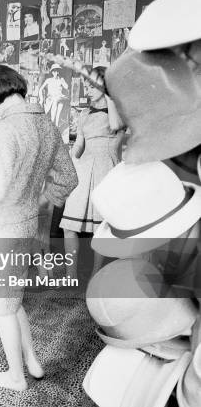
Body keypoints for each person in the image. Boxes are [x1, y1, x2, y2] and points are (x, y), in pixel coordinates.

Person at [0, 65, 77, 391]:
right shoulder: (46, 123)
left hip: (2, 230)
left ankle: (15, 377)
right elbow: (68, 179)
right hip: (29, 226)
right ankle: (32, 362)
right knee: (13, 298)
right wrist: (39, 204)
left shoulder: (7, 129)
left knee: (2, 305)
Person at [59, 67, 125, 278]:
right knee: (68, 226)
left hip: (107, 169)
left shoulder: (120, 111)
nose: (86, 88)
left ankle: (96, 275)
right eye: (85, 84)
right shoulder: (85, 113)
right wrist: (63, 161)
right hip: (83, 170)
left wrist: (109, 94)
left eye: (91, 84)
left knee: (100, 228)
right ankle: (71, 276)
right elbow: (78, 147)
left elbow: (116, 126)